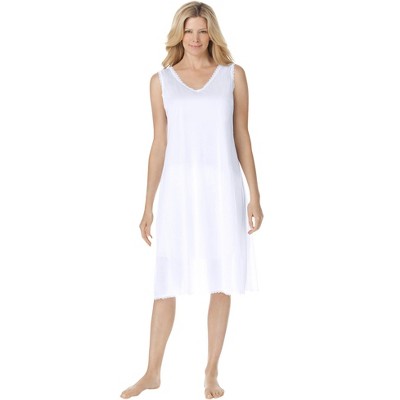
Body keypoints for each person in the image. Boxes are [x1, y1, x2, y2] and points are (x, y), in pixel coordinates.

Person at [120, 1, 263, 398]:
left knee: (222, 280)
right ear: (178, 34)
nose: (195, 38)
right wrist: (147, 205)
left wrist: (254, 195)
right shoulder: (161, 81)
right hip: (178, 191)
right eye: (188, 31)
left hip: (222, 187)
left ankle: (211, 371)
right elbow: (159, 143)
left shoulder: (233, 76)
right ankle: (152, 372)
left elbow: (242, 135)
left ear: (211, 33)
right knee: (166, 281)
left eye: (202, 31)